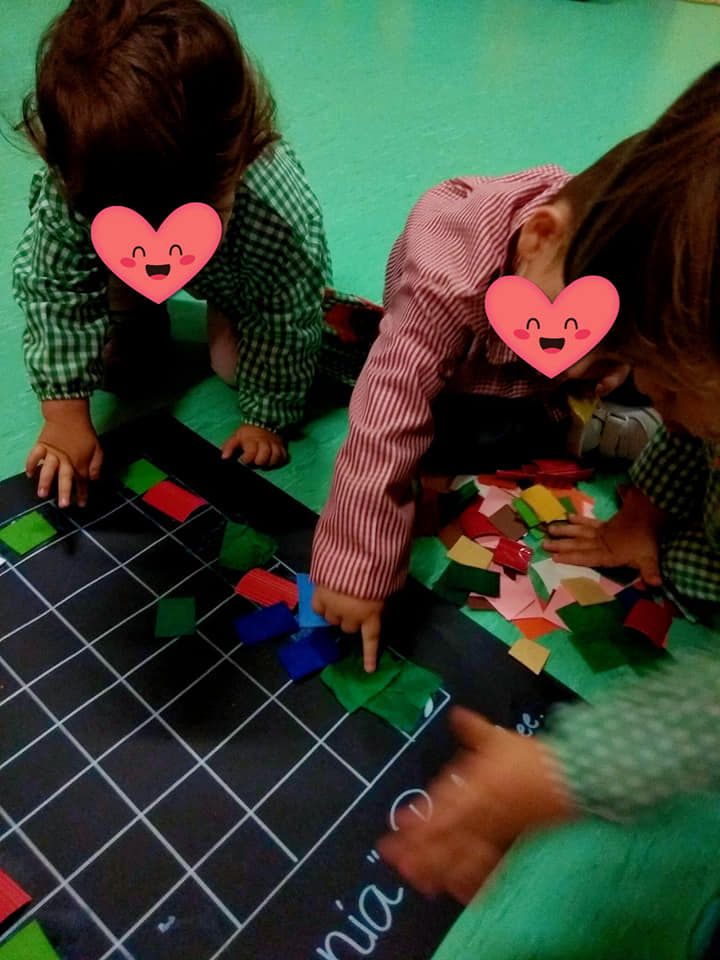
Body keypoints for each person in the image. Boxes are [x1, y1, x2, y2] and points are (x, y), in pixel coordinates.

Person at [378, 62, 720, 906]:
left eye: (662, 376)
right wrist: (638, 511)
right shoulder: (694, 412)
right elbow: (685, 434)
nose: (652, 396)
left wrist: (568, 770)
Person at [310, 130, 660, 672]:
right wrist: (356, 565)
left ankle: (596, 399)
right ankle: (572, 426)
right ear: (538, 238)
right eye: (580, 341)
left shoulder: (594, 264)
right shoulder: (445, 280)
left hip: (532, 361)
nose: (575, 367)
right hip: (467, 376)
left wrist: (614, 369)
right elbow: (386, 412)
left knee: (612, 370)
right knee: (441, 443)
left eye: (603, 354)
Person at [13, 0, 374, 508]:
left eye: (190, 217)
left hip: (237, 276)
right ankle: (134, 303)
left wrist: (265, 415)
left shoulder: (275, 214)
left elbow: (287, 314)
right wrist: (64, 415)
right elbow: (53, 288)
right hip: (120, 260)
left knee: (234, 368)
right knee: (125, 369)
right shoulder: (78, 184)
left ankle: (194, 305)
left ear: (238, 155)